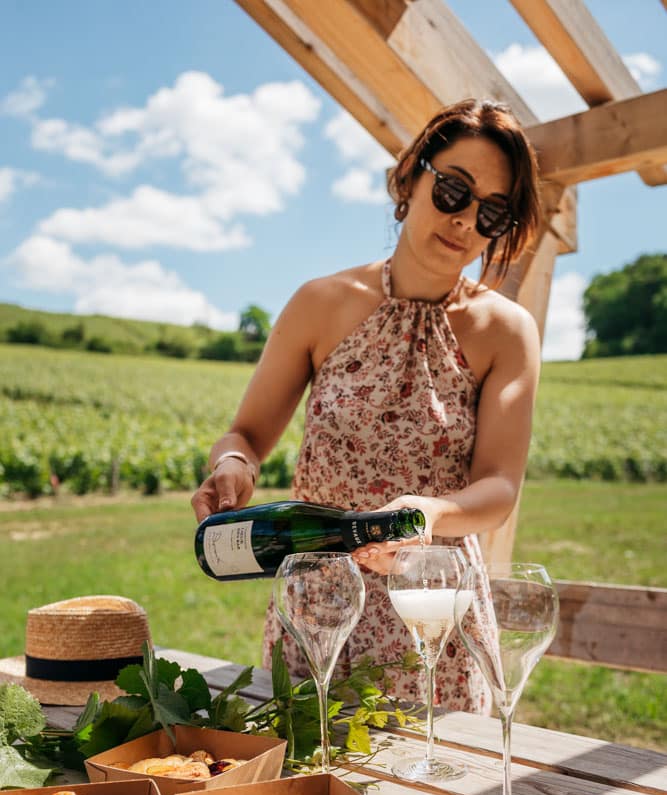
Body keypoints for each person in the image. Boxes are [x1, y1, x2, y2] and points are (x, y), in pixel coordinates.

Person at [191, 98, 542, 713]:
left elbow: (499, 485)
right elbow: (244, 433)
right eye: (454, 191)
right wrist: (233, 465)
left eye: (491, 212)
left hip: (431, 607)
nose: (465, 222)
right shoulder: (319, 303)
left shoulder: (506, 330)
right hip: (317, 604)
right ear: (410, 176)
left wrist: (427, 514)